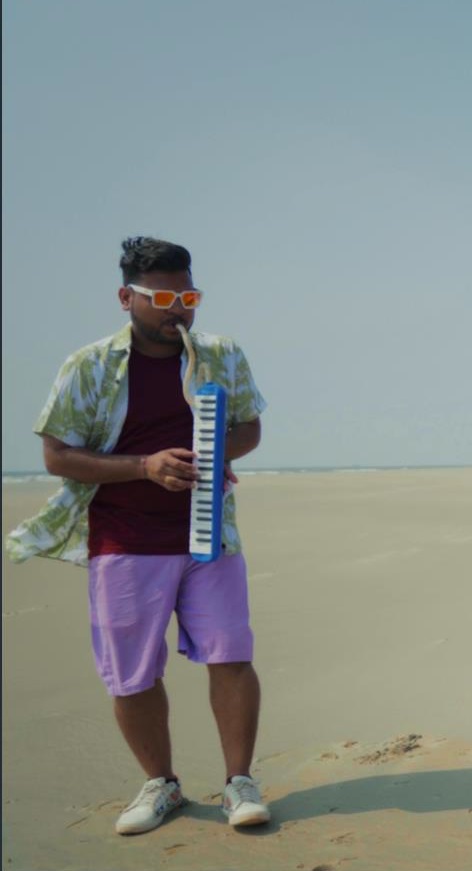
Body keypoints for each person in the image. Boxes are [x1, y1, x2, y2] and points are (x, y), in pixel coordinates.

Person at [5, 237, 271, 833]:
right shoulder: (88, 365)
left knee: (231, 655)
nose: (179, 310)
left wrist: (210, 453)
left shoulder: (222, 354)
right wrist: (145, 466)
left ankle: (239, 784)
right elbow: (56, 456)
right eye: (164, 298)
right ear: (127, 297)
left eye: (189, 296)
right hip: (123, 538)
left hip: (211, 534)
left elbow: (250, 428)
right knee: (132, 671)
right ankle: (162, 785)